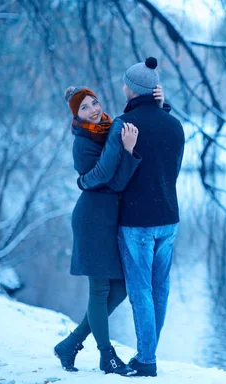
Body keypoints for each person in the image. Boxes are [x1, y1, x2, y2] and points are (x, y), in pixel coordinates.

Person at [77, 57, 185, 377]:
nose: (122, 87)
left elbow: (110, 177)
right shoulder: (175, 124)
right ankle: (148, 353)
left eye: (125, 83)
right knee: (160, 288)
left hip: (137, 220)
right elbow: (172, 170)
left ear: (131, 88)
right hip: (169, 217)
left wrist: (84, 182)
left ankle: (147, 360)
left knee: (140, 290)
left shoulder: (124, 125)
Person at [53, 85, 165, 376]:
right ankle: (107, 356)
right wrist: (123, 146)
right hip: (92, 219)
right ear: (77, 115)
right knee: (100, 289)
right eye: (85, 108)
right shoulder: (83, 142)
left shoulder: (107, 131)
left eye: (94, 102)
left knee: (121, 288)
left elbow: (115, 183)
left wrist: (160, 107)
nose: (93, 109)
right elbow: (104, 177)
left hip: (109, 217)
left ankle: (71, 343)